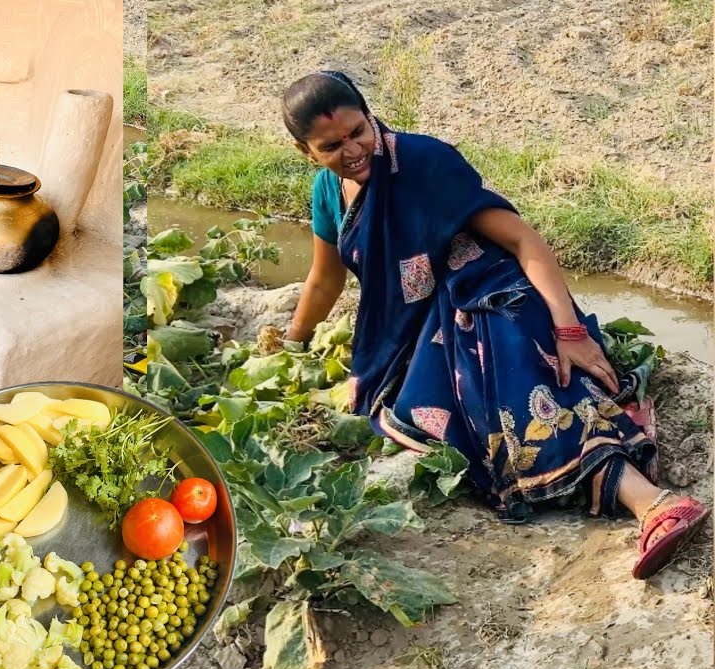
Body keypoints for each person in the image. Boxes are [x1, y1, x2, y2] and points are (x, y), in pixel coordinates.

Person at [281, 70, 708, 580]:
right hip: (433, 319)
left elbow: (524, 240)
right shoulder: (328, 195)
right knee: (443, 420)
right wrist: (292, 343)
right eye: (332, 146)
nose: (353, 150)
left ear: (371, 118)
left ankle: (655, 505)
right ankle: (630, 495)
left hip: (499, 290)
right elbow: (324, 281)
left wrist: (569, 331)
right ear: (307, 152)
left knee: (525, 383)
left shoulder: (423, 162)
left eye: (359, 132)